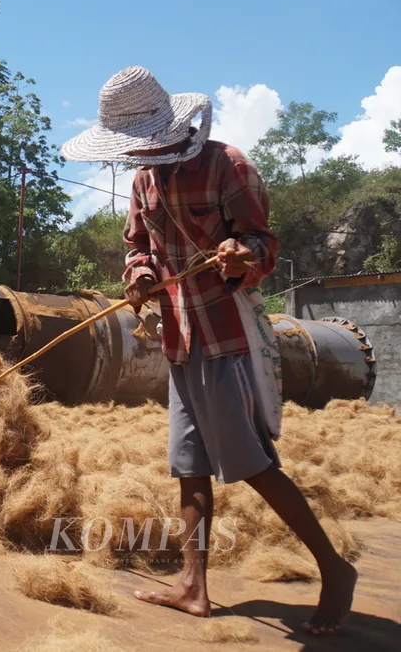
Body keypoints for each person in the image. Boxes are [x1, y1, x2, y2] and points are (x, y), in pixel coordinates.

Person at [60, 66, 357, 636]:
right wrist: (140, 276)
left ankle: (333, 567)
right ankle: (194, 586)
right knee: (189, 464)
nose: (137, 157)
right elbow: (138, 248)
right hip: (179, 336)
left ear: (169, 129)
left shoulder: (228, 165)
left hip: (226, 335)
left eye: (141, 144)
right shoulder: (144, 182)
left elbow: (262, 244)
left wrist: (240, 254)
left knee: (248, 463)